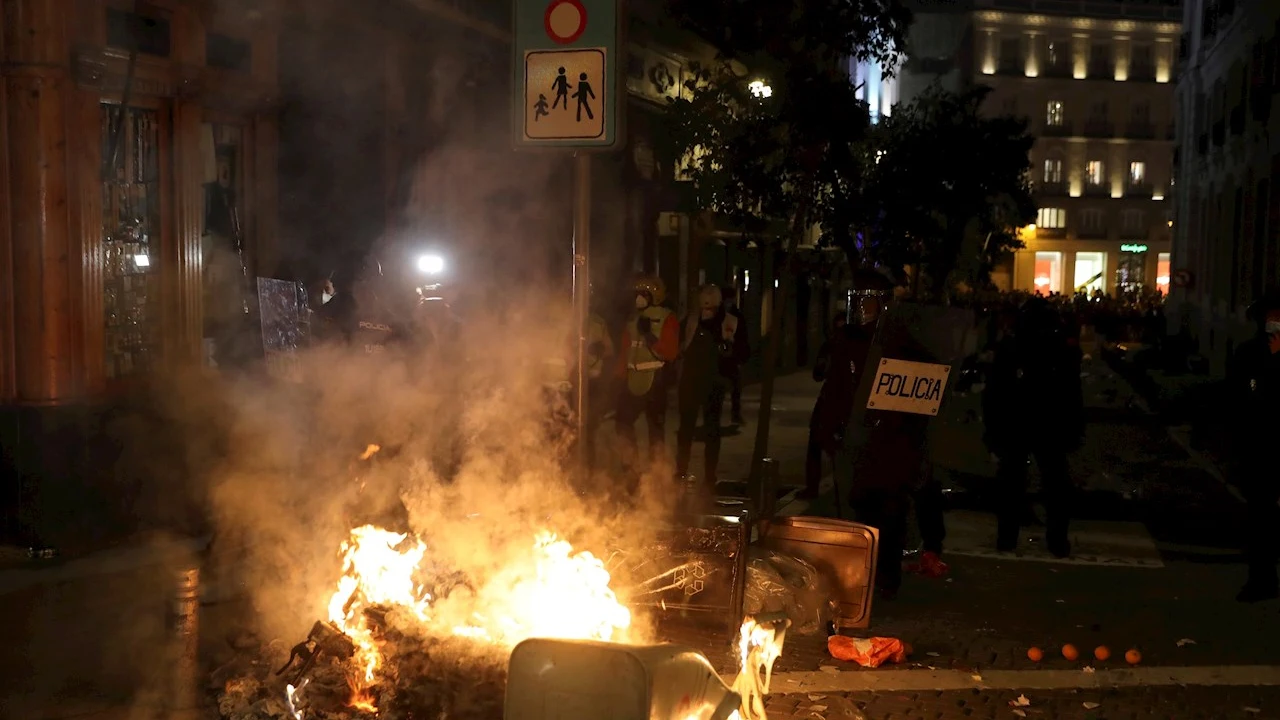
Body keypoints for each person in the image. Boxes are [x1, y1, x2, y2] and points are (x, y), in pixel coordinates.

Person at [982, 297, 1084, 558]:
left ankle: (1009, 538)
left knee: (1015, 483)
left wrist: (993, 430)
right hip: (1045, 423)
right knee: (1052, 485)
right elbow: (1072, 393)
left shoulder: (1016, 346)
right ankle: (1055, 541)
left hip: (1021, 422)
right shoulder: (1058, 347)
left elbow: (995, 392)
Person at [1227, 290, 1280, 603]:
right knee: (1260, 519)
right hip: (1260, 449)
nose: (1275, 323)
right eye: (1271, 317)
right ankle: (1261, 580)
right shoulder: (1249, 352)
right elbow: (1241, 398)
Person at [675, 285, 746, 493]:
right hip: (690, 380)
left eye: (710, 308)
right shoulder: (690, 321)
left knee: (711, 430)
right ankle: (680, 470)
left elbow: (743, 351)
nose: (706, 312)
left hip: (714, 382)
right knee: (686, 429)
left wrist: (729, 352)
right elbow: (678, 344)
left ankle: (709, 475)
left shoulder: (729, 322)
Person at [615, 276, 680, 483]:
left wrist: (649, 336)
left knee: (655, 430)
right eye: (637, 295)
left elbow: (669, 352)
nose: (639, 299)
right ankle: (630, 468)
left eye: (644, 294)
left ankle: (656, 473)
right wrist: (618, 379)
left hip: (655, 382)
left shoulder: (666, 319)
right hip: (633, 381)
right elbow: (625, 351)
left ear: (655, 297)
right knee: (623, 422)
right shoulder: (633, 320)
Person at [724, 298, 749, 425]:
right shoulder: (720, 315)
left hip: (733, 356)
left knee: (736, 388)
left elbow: (742, 338)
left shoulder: (737, 316)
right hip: (724, 357)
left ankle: (735, 413)